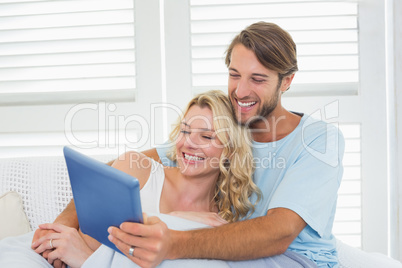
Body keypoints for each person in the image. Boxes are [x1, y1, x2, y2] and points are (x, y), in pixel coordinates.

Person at [32, 22, 344, 268]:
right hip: (237, 254)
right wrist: (61, 226)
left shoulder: (317, 139)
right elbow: (111, 175)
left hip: (294, 260)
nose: (241, 90)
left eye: (258, 79)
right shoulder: (225, 129)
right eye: (235, 75)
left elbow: (278, 233)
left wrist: (174, 241)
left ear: (286, 81)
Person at [22, 90, 260, 267]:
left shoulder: (218, 221)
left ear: (229, 151)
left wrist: (85, 259)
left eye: (206, 136)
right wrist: (174, 220)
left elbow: (84, 254)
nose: (188, 143)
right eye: (185, 131)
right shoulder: (137, 169)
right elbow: (81, 242)